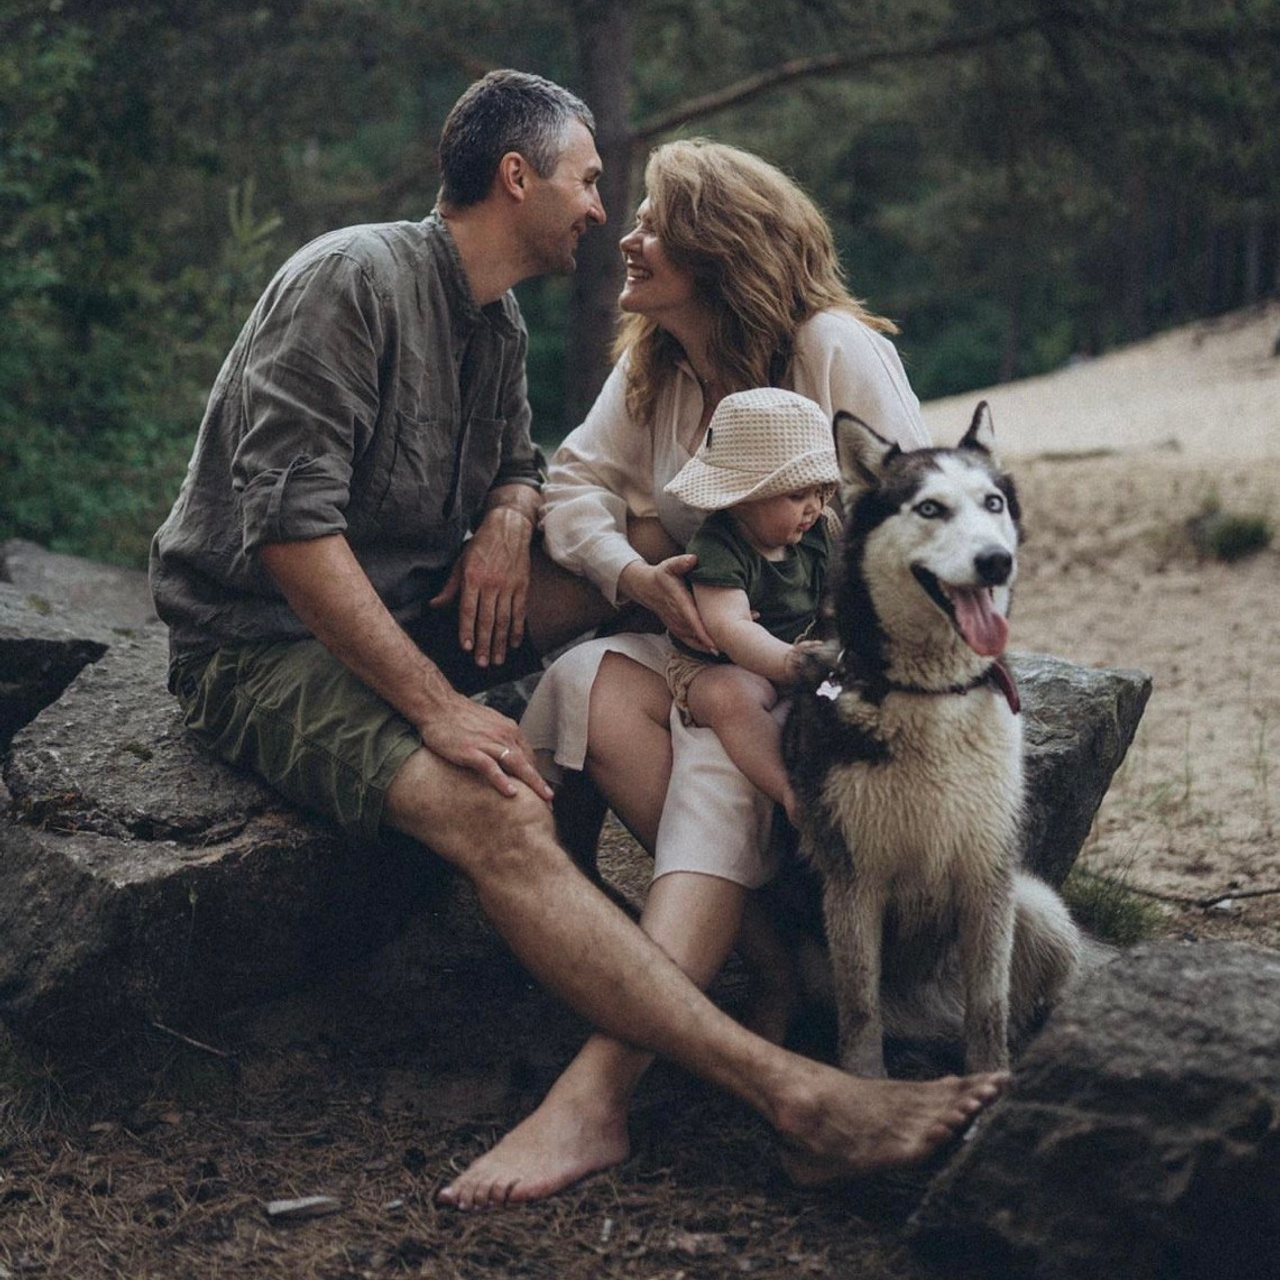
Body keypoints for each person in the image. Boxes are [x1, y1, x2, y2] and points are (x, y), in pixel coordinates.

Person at [150, 80, 1002, 1212]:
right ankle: (792, 1091)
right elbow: (292, 538)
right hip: (258, 643)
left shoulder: (495, 318)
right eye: (594, 182)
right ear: (518, 177)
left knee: (659, 686)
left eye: (633, 201)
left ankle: (732, 973)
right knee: (501, 790)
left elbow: (531, 467)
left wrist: (509, 513)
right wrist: (446, 705)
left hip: (722, 654)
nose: (609, 214)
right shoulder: (351, 278)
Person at [439, 139, 990, 1210]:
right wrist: (632, 569)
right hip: (701, 640)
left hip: (834, 678)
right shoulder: (656, 360)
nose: (627, 237)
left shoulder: (829, 347)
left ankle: (602, 1083)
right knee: (591, 677)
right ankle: (758, 956)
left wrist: (774, 651)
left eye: (652, 218)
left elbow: (919, 530)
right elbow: (574, 485)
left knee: (718, 742)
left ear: (719, 246)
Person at [661, 387, 841, 824]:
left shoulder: (819, 531)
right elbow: (730, 626)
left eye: (819, 491)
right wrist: (788, 663)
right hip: (719, 663)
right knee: (736, 698)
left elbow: (838, 594)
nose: (814, 507)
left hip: (800, 645)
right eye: (797, 495)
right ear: (742, 498)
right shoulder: (719, 545)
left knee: (844, 685)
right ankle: (787, 789)